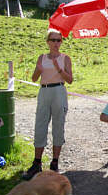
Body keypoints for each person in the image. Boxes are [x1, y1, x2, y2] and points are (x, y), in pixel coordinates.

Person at [23, 29, 73, 180]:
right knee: (40, 125)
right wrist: (38, 70)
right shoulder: (42, 57)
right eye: (53, 40)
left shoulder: (65, 58)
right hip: (44, 91)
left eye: (59, 40)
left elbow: (70, 80)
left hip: (59, 90)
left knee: (58, 126)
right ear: (48, 42)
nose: (56, 43)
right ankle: (37, 163)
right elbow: (33, 78)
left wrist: (59, 68)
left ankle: (54, 163)